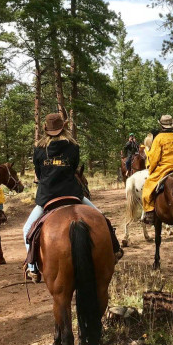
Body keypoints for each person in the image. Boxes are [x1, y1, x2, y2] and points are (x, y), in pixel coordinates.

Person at [23, 113, 123, 282]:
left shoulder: (39, 150)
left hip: (48, 196)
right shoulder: (73, 147)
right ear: (63, 127)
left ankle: (32, 267)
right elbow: (74, 168)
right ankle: (115, 249)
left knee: (27, 230)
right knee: (102, 219)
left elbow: (39, 174)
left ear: (46, 129)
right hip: (72, 193)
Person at [141, 115, 173, 225]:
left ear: (161, 125)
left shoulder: (159, 138)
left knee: (147, 188)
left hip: (165, 169)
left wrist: (151, 170)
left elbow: (154, 158)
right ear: (172, 124)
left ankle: (150, 212)